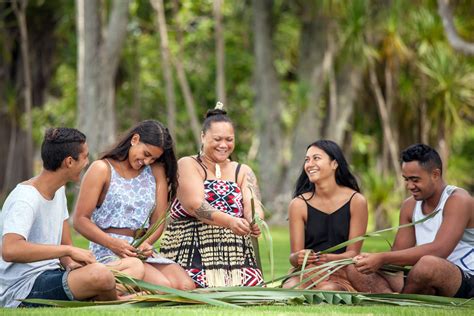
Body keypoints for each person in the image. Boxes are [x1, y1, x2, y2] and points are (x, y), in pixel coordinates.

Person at [0, 128, 144, 308]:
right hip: (24, 288)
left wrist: (71, 263)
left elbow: (66, 244)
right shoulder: (26, 198)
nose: (87, 163)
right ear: (69, 161)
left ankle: (99, 294)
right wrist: (67, 252)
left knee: (134, 266)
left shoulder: (58, 191)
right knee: (101, 275)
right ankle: (114, 299)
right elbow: (10, 249)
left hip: (55, 275)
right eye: (85, 157)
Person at [73, 120, 194, 290]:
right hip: (109, 249)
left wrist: (147, 243)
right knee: (165, 287)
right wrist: (113, 243)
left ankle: (124, 291)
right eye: (145, 154)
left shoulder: (155, 171)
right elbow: (80, 220)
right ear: (135, 139)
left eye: (153, 158)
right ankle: (105, 291)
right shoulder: (102, 169)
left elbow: (158, 221)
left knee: (186, 286)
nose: (146, 161)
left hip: (141, 248)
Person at [348, 144, 473, 298]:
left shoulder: (459, 200)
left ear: (435, 174)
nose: (409, 186)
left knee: (428, 265)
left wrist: (382, 258)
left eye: (415, 180)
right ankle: (391, 298)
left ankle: (400, 301)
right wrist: (370, 260)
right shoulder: (410, 205)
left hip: (464, 276)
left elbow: (439, 251)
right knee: (355, 267)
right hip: (422, 273)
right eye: (406, 180)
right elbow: (398, 257)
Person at [160, 104, 264, 288]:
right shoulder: (188, 164)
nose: (223, 145)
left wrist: (254, 220)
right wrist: (230, 221)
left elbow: (252, 204)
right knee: (191, 288)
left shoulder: (243, 171)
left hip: (236, 258)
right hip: (192, 253)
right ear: (202, 136)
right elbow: (196, 206)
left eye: (229, 139)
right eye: (217, 139)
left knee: (248, 295)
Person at [282, 140, 368, 291]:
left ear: (334, 164)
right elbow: (294, 257)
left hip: (341, 270)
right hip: (307, 271)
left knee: (327, 290)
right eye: (307, 160)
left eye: (316, 158)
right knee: (291, 288)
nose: (309, 164)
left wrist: (329, 259)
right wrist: (299, 257)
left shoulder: (356, 201)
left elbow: (353, 253)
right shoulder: (298, 204)